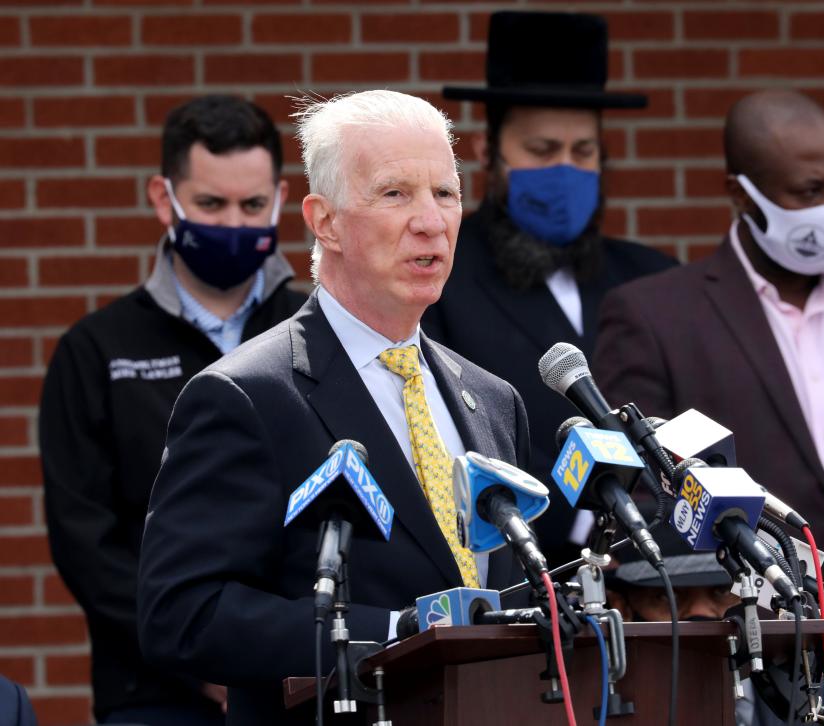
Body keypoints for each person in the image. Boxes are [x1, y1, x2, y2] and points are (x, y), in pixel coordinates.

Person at [136, 90, 530, 725]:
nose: (431, 221)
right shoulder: (248, 395)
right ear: (324, 221)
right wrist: (394, 632)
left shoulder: (492, 400)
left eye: (447, 194)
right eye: (395, 194)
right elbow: (182, 614)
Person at [593, 89, 824, 725]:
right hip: (743, 678)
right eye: (806, 191)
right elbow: (646, 506)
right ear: (741, 194)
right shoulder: (655, 318)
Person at [39, 95, 306, 725]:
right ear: (165, 199)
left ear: (280, 199)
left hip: (303, 680)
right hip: (154, 693)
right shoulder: (97, 351)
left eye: (252, 205)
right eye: (211, 205)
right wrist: (196, 653)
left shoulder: (317, 335)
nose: (235, 224)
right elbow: (85, 540)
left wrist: (280, 648)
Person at [423, 10, 676, 566]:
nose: (565, 169)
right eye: (541, 151)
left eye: (582, 152)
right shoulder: (440, 279)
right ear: (490, 154)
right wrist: (591, 510)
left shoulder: (655, 278)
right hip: (529, 577)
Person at [605, 533, 824, 726]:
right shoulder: (599, 689)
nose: (701, 616)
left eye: (721, 593)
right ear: (623, 608)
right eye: (668, 598)